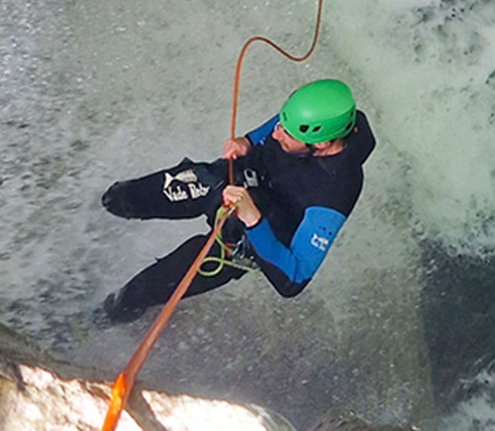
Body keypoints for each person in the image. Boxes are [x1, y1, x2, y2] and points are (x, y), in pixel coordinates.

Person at [96, 79, 376, 324]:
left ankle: (102, 317)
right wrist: (249, 140)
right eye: (280, 125)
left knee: (145, 290)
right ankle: (96, 218)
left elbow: (294, 279)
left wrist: (252, 219)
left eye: (287, 133)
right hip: (232, 178)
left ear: (323, 144)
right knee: (121, 198)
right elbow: (280, 125)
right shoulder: (330, 119)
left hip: (246, 235)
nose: (276, 133)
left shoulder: (336, 192)